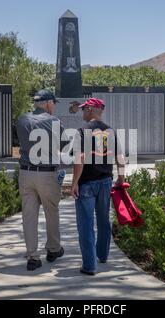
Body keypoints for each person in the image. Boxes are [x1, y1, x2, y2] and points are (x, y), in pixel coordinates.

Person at [71, 98, 126, 275]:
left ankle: (89, 265)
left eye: (83, 110)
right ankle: (102, 255)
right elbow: (120, 156)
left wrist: (74, 183)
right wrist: (121, 177)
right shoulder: (110, 131)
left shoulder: (82, 131)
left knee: (86, 224)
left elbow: (79, 160)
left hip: (86, 183)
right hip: (105, 182)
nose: (82, 113)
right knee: (103, 220)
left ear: (90, 109)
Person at [16, 89, 67, 271]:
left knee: (29, 215)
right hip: (47, 174)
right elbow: (63, 144)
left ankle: (32, 256)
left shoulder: (22, 119)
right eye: (53, 103)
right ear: (47, 102)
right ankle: (53, 249)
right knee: (51, 212)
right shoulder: (54, 121)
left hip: (26, 172)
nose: (54, 107)